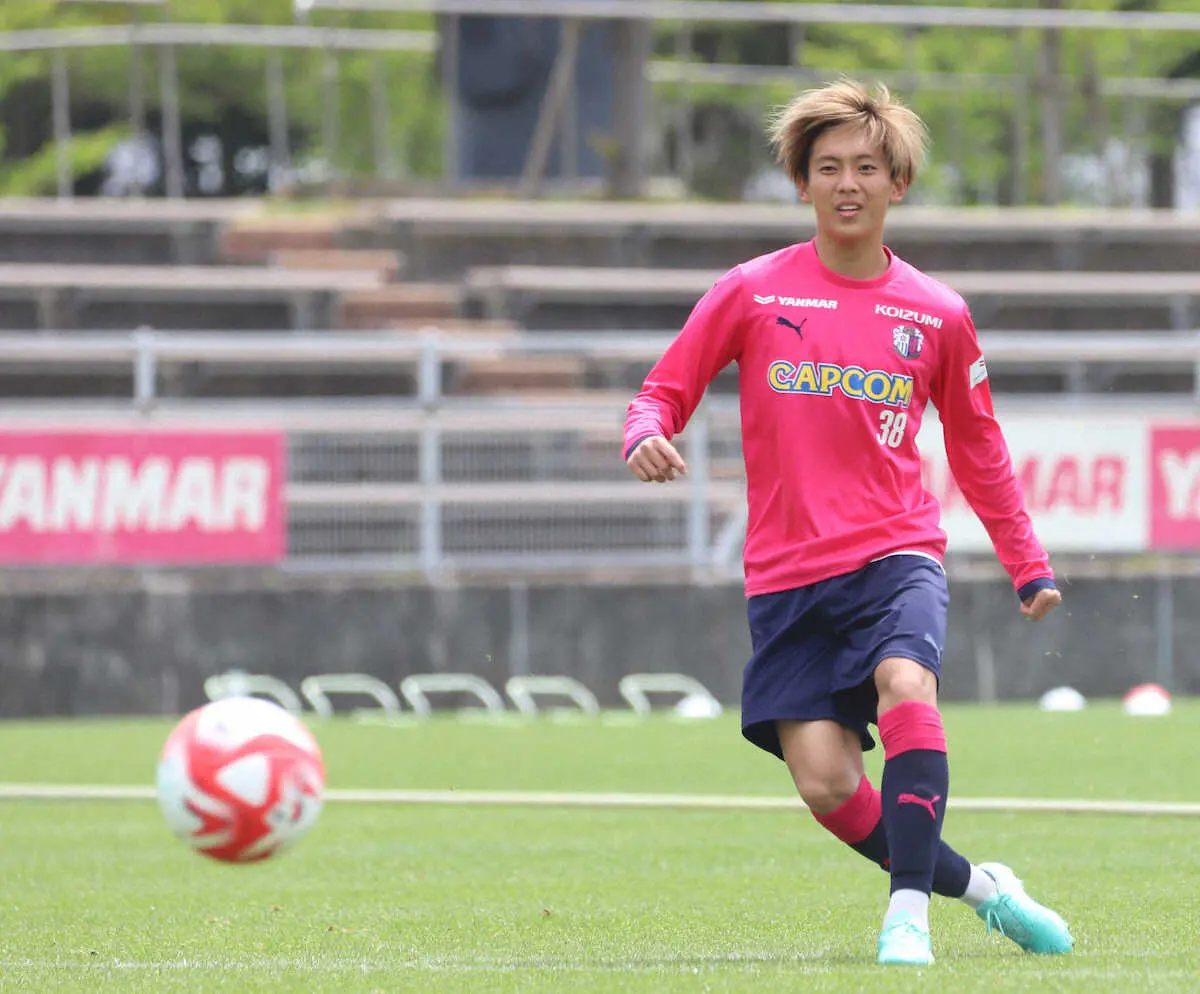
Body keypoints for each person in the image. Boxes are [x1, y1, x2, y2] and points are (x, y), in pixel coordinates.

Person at [622, 79, 1073, 967]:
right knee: (829, 786)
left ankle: (905, 912)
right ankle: (988, 890)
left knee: (909, 683)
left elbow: (978, 448)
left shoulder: (937, 312)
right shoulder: (751, 292)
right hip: (787, 579)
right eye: (828, 167)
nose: (848, 183)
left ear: (897, 182)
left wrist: (1028, 563)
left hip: (895, 553)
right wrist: (644, 432)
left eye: (867, 166)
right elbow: (662, 391)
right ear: (802, 183)